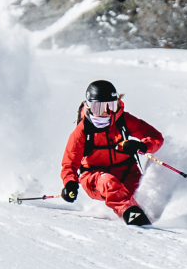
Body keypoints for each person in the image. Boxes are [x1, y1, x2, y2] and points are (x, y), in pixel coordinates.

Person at [61, 79, 164, 226]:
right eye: (97, 107)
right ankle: (131, 213)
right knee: (108, 182)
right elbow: (69, 164)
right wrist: (70, 183)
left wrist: (141, 145)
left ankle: (170, 216)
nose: (104, 112)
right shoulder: (83, 131)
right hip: (94, 178)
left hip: (127, 173)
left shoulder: (123, 121)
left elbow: (155, 136)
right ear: (88, 106)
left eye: (110, 106)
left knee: (150, 190)